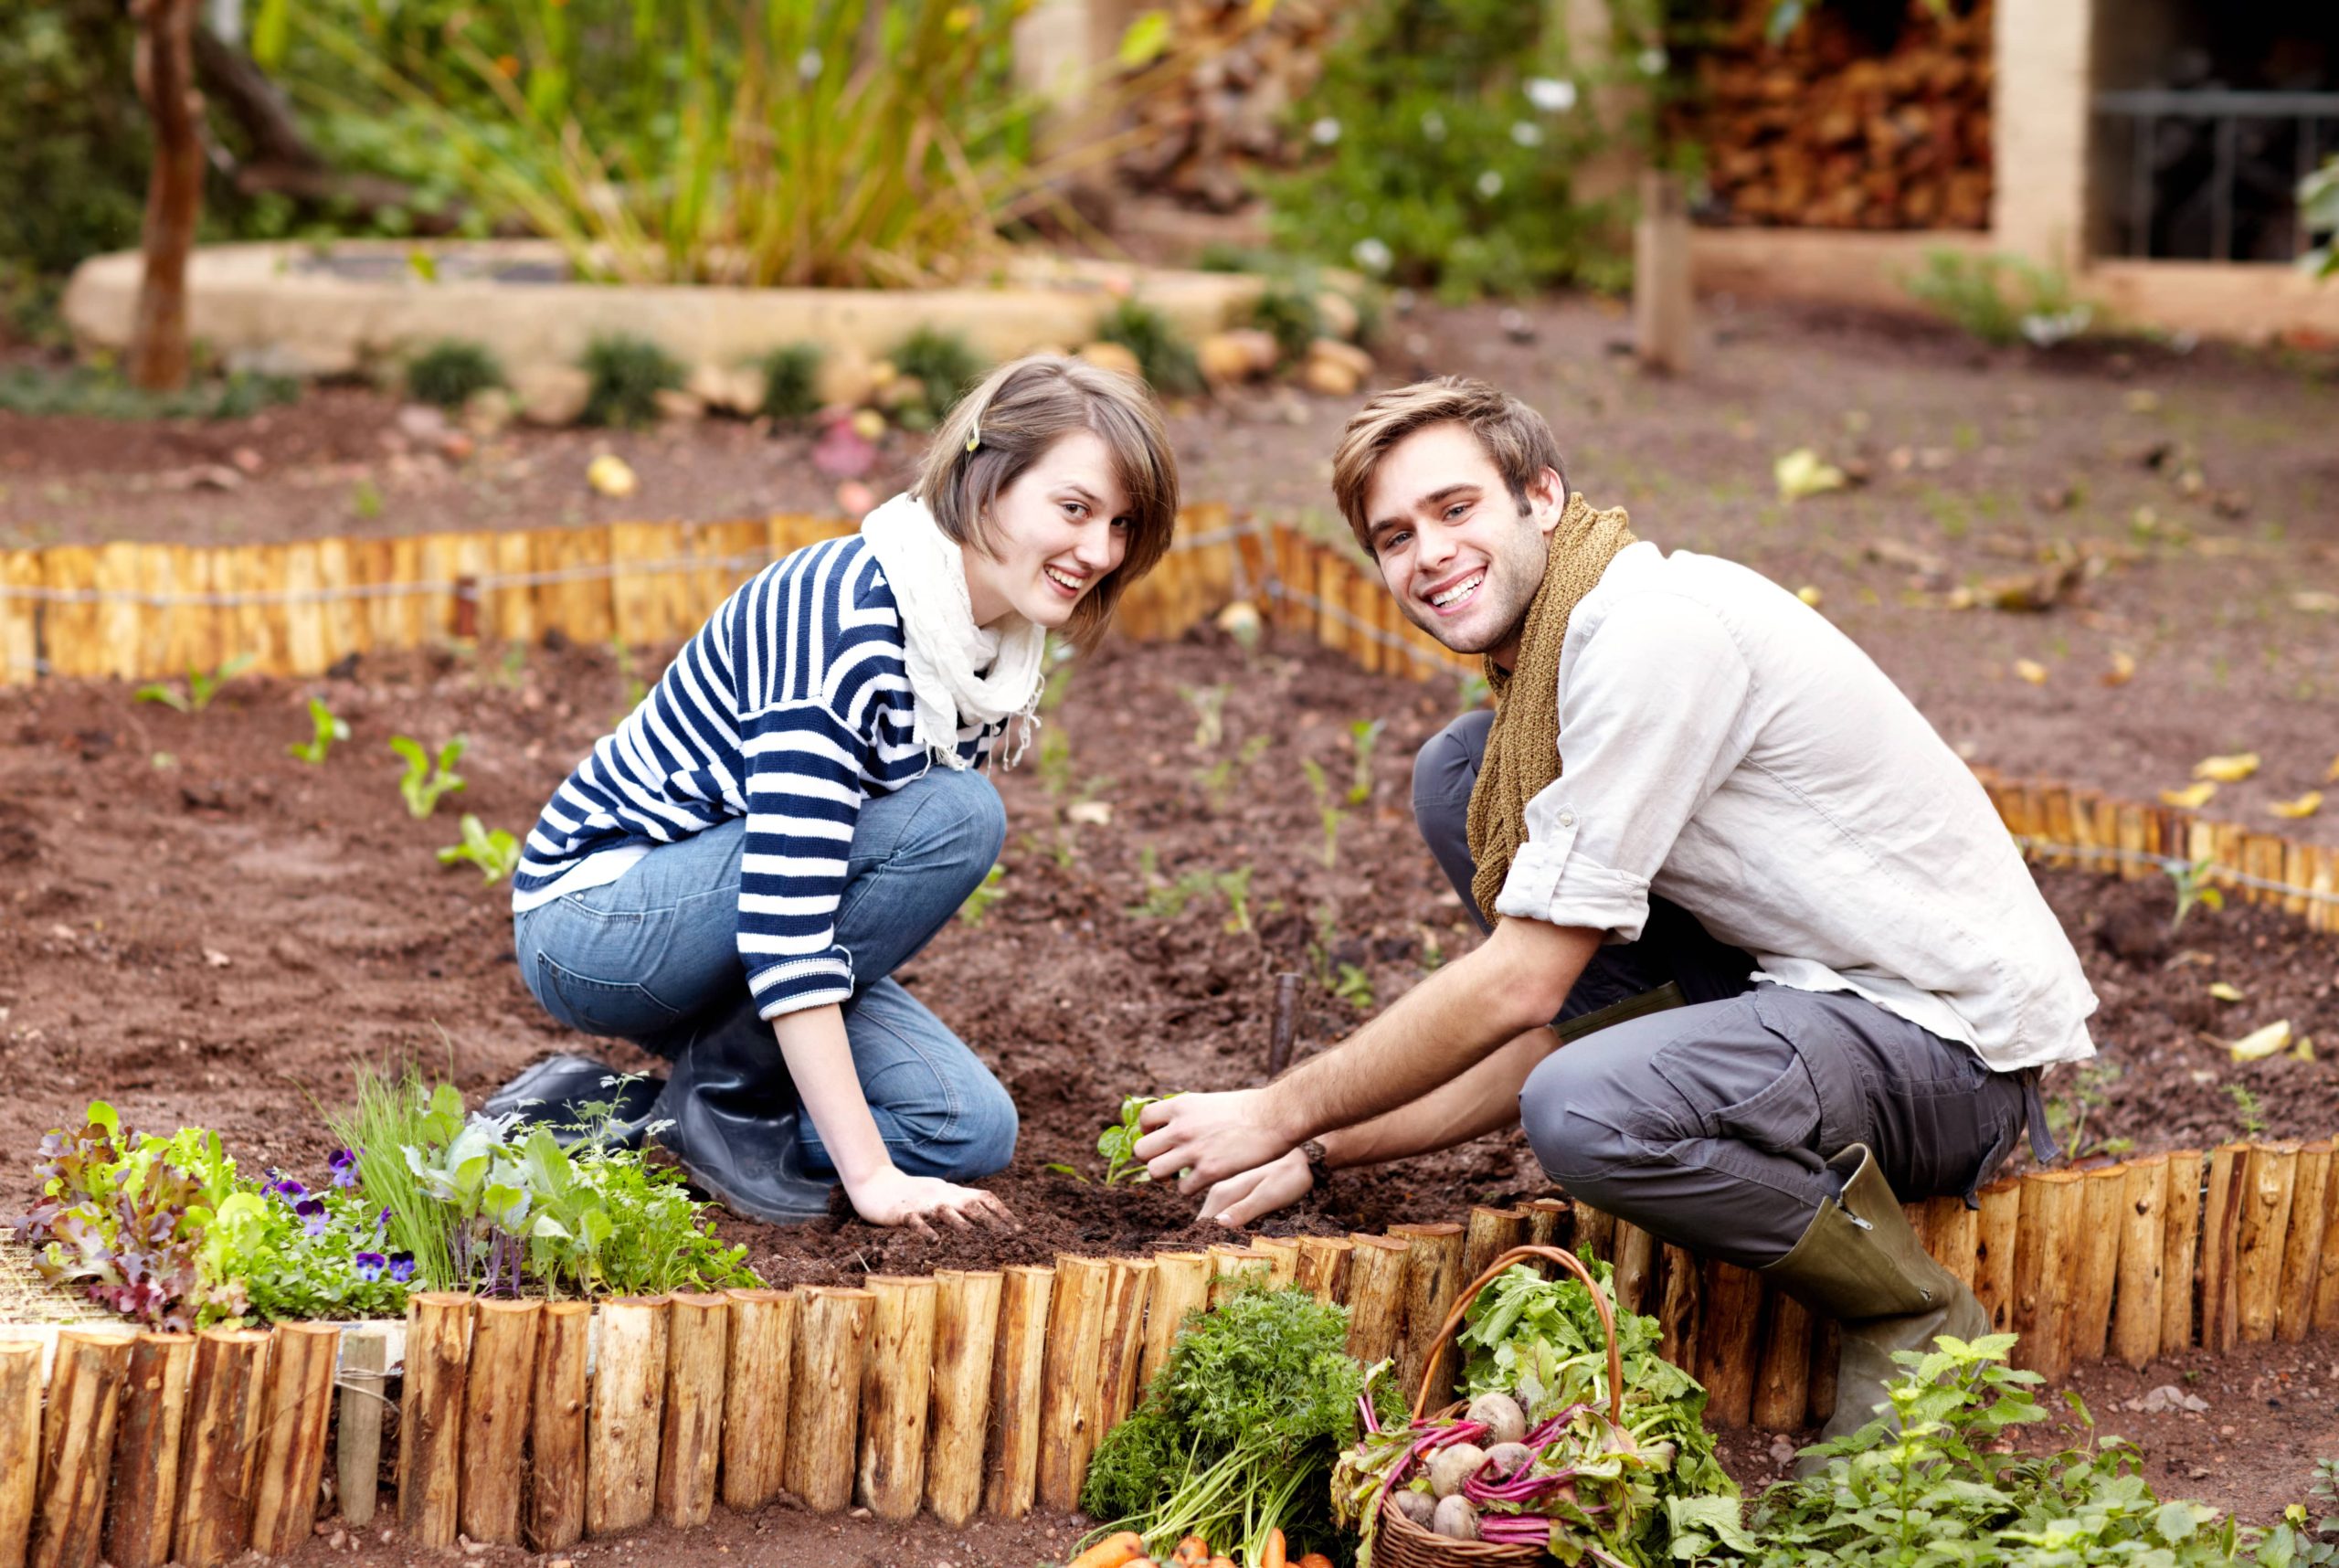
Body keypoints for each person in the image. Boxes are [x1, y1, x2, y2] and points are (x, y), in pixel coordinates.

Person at [1134, 376, 2095, 1450]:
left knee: (1587, 1109)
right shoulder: (1551, 670)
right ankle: (1727, 1126)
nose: (1429, 554)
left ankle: (1907, 1309)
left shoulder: (1651, 638)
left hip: (1944, 1052)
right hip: (1794, 992)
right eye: (1393, 537)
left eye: (1456, 510)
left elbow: (1524, 989)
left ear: (1540, 496)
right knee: (1463, 776)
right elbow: (1567, 1026)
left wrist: (1274, 1109)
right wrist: (1321, 1148)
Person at [492, 355, 1180, 1234]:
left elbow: (815, 891)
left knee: (964, 1130)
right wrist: (871, 1180)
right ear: (984, 477)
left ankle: (633, 1123)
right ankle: (732, 1102)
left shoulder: (977, 643)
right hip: (601, 924)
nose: (1099, 552)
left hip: (731, 929)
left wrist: (887, 1160)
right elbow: (789, 914)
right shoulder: (842, 616)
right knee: (957, 816)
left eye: (1122, 524)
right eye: (1075, 508)